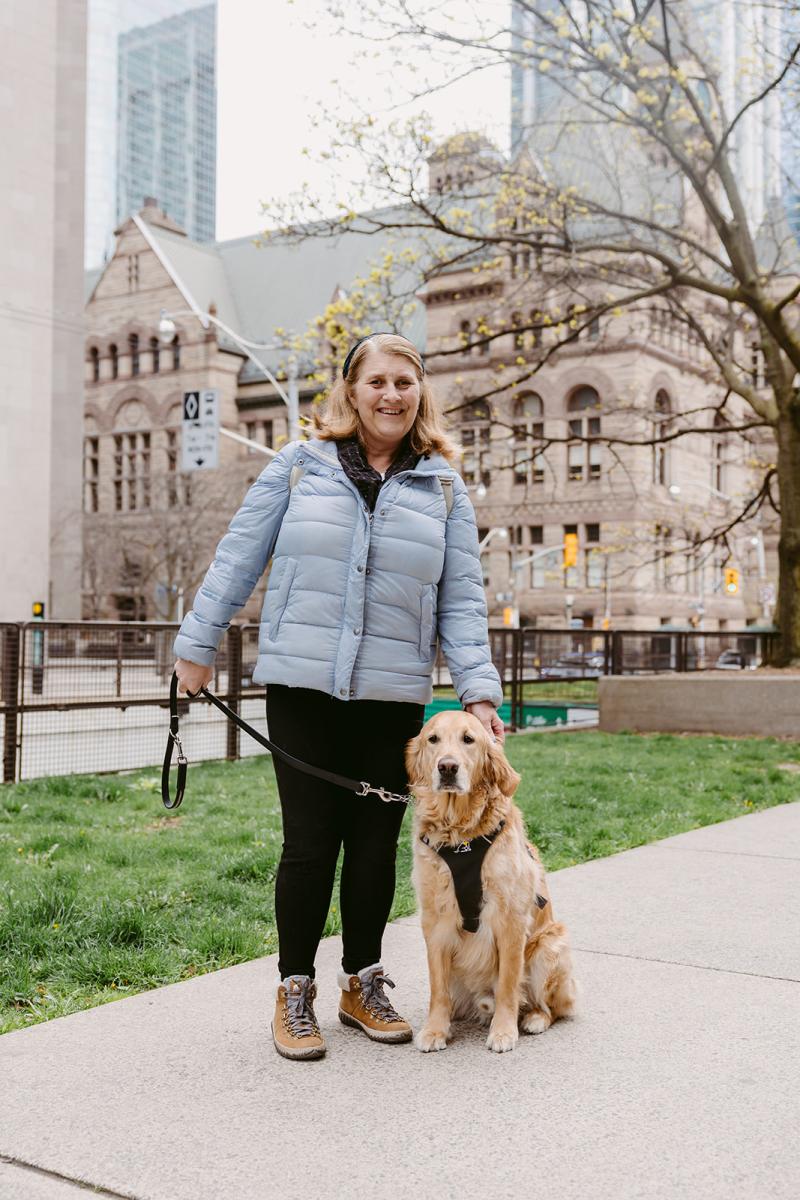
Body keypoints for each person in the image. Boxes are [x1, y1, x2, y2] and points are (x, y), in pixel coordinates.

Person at [173, 331, 503, 1061]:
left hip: (391, 696)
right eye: (377, 381)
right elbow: (238, 556)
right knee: (309, 844)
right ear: (351, 390)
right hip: (303, 687)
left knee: (375, 843)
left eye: (405, 383)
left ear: (421, 393)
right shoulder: (297, 467)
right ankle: (295, 991)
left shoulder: (443, 486)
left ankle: (364, 983)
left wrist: (478, 691)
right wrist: (197, 645)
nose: (391, 395)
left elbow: (463, 600)